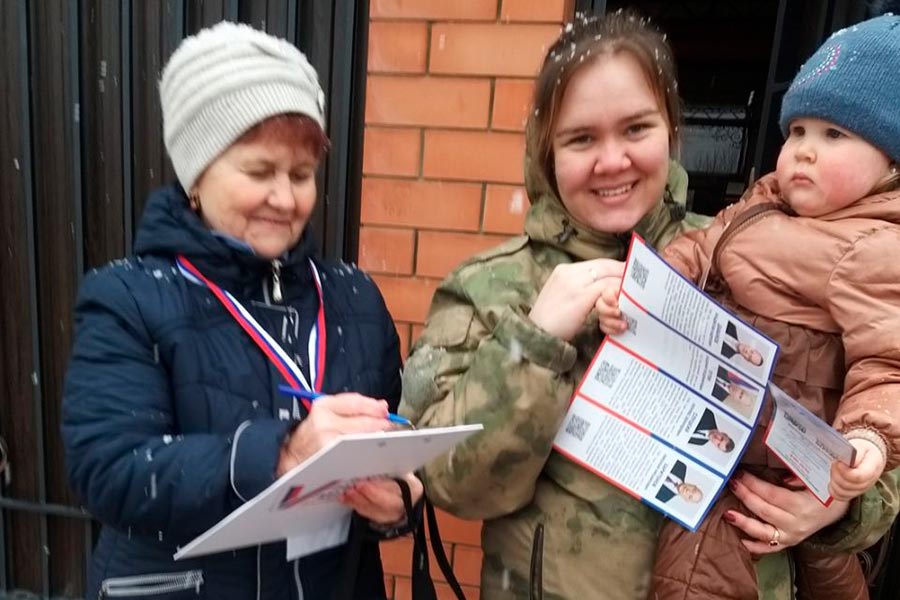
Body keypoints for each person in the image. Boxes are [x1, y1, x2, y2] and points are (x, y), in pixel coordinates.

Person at [399, 10, 900, 600]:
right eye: (581, 138)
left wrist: (834, 504)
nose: (612, 161)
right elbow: (450, 485)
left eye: (636, 129)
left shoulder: (749, 258)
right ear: (546, 151)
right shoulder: (490, 286)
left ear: (670, 131)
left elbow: (878, 437)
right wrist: (533, 343)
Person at [61, 22, 421, 599]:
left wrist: (396, 503)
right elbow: (110, 471)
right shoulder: (129, 297)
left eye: (301, 175)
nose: (286, 198)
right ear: (196, 176)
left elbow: (391, 447)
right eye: (259, 172)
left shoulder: (354, 298)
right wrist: (281, 453)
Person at [599, 14, 900, 599]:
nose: (804, 152)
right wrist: (639, 291)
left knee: (702, 568)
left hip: (767, 451)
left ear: (890, 162)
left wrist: (869, 438)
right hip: (722, 419)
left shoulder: (875, 248)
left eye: (834, 136)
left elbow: (887, 363)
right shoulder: (761, 202)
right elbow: (697, 250)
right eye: (798, 131)